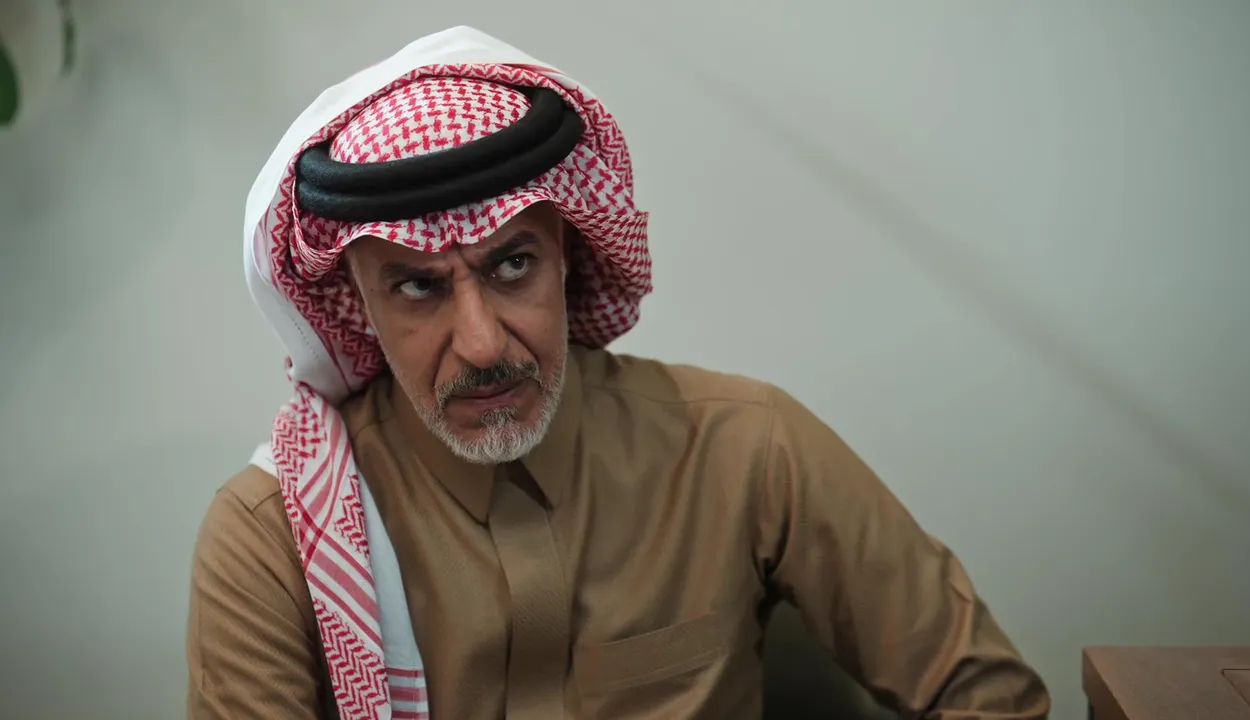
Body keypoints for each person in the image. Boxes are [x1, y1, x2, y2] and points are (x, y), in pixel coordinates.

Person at [186, 25, 1051, 720]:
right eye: (419, 287)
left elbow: (984, 695)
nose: (482, 345)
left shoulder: (743, 448)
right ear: (358, 303)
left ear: (567, 254)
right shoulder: (274, 536)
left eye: (512, 265)